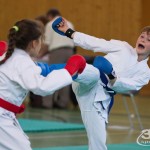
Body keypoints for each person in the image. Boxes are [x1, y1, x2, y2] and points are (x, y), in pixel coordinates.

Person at [52, 17, 150, 150]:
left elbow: (130, 86)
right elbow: (95, 42)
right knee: (92, 71)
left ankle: (74, 69)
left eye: (148, 40)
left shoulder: (145, 73)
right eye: (142, 36)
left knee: (98, 143)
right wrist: (69, 32)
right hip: (90, 79)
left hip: (99, 99)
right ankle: (51, 69)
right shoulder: (123, 47)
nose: (143, 40)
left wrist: (112, 76)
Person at [0, 19, 86, 150]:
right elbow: (42, 87)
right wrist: (69, 71)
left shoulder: (10, 56)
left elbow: (41, 69)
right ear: (34, 43)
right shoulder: (22, 62)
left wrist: (65, 69)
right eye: (41, 41)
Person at [37, 8, 76, 109]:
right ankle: (63, 102)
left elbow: (47, 43)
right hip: (70, 51)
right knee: (66, 76)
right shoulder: (68, 23)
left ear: (50, 16)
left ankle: (47, 103)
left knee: (50, 75)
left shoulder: (50, 24)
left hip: (57, 51)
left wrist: (40, 54)